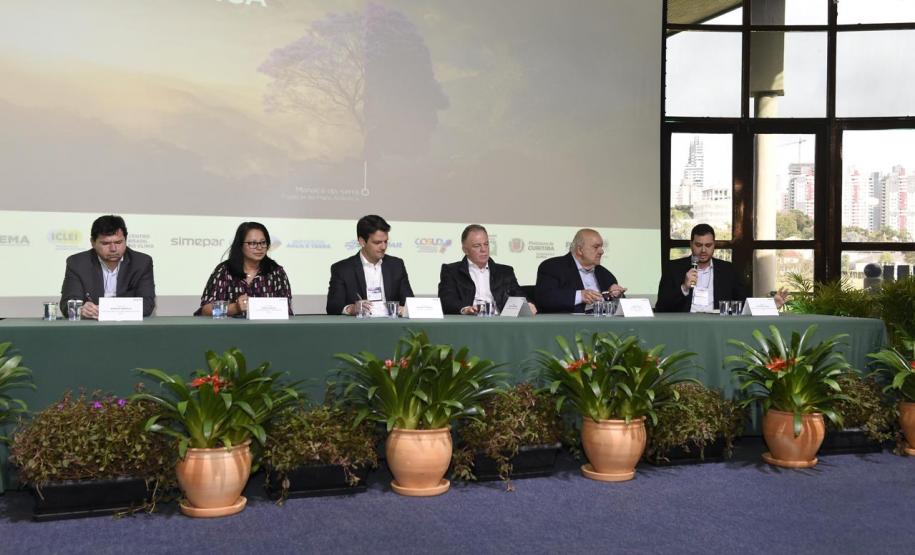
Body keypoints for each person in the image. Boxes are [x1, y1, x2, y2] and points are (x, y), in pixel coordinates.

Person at [59, 215, 156, 319]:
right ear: (93, 242)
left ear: (125, 240)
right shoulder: (77, 263)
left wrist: (109, 311)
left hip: (128, 327)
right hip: (92, 327)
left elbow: (147, 305)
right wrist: (81, 309)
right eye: (106, 243)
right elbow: (68, 304)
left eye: (118, 242)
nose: (113, 249)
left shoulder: (141, 262)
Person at [195, 222, 292, 317]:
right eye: (253, 243)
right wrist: (234, 308)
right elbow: (206, 310)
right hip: (232, 331)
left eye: (263, 243)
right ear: (240, 245)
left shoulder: (276, 272)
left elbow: (286, 310)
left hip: (268, 331)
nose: (259, 247)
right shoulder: (224, 270)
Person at [438, 224, 537, 315]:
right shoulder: (451, 271)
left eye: (486, 244)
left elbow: (518, 295)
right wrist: (466, 309)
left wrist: (528, 304)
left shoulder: (505, 272)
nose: (483, 249)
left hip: (500, 322)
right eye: (477, 246)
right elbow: (446, 300)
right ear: (465, 250)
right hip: (469, 322)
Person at [326, 215, 414, 316]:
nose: (383, 247)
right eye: (377, 242)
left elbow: (410, 302)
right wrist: (352, 309)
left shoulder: (396, 265)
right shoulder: (342, 269)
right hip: (359, 327)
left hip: (391, 326)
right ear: (362, 242)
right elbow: (332, 306)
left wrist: (404, 309)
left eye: (386, 241)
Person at [534, 228, 626, 313]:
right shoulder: (552, 267)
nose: (601, 251)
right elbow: (545, 298)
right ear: (580, 250)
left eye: (601, 247)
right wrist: (580, 296)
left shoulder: (605, 274)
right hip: (569, 326)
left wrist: (617, 296)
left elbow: (617, 307)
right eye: (596, 247)